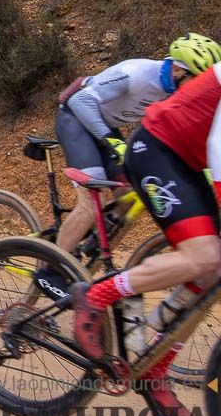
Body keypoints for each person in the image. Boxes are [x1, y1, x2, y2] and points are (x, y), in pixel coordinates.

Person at [71, 38, 221, 416]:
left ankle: (156, 365)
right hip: (157, 148)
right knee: (206, 255)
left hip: (188, 159)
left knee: (212, 270)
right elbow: (219, 143)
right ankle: (96, 294)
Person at [53, 33, 221, 256]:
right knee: (94, 202)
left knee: (132, 193)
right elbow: (79, 101)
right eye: (196, 80)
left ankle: (95, 238)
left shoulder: (172, 92)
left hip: (105, 128)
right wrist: (112, 141)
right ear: (178, 70)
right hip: (74, 120)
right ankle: (51, 269)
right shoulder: (136, 74)